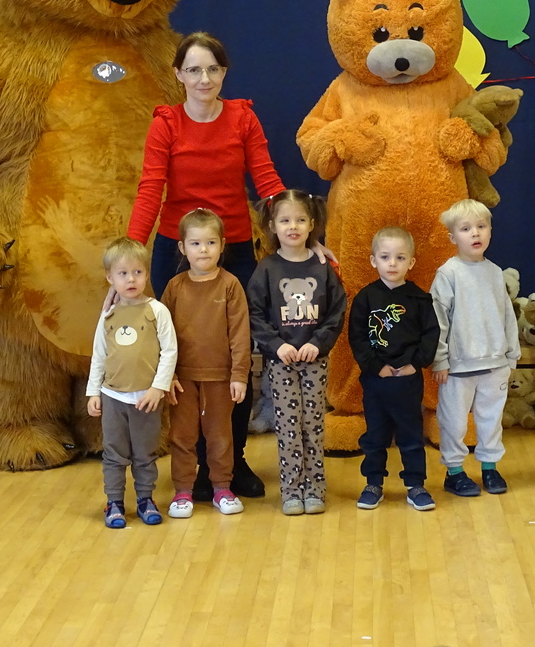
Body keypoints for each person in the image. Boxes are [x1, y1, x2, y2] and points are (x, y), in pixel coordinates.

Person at [127, 31, 301, 500]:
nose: (204, 78)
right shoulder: (166, 124)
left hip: (235, 250)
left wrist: (301, 235)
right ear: (179, 75)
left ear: (224, 73)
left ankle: (231, 461)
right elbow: (150, 189)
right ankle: (193, 464)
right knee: (180, 355)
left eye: (213, 69)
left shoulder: (242, 118)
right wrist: (130, 256)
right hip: (174, 251)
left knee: (231, 355)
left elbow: (266, 180)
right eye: (194, 70)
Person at [247, 190, 346, 515]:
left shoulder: (323, 267)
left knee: (313, 426)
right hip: (281, 363)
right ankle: (291, 491)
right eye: (285, 220)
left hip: (315, 360)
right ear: (272, 225)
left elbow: (336, 311)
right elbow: (255, 314)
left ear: (312, 223)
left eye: (300, 220)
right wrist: (278, 345)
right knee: (288, 428)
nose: (293, 226)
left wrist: (318, 342)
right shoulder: (267, 269)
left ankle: (314, 488)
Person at [160, 209, 251, 518]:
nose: (203, 250)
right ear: (182, 247)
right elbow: (163, 335)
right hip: (181, 379)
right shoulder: (174, 287)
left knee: (220, 436)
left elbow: (240, 334)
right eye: (196, 243)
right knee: (182, 436)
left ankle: (222, 487)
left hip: (221, 378)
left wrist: (239, 375)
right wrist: (168, 375)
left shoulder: (230, 285)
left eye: (211, 242)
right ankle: (183, 491)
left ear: (222, 245)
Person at [430, 199, 520, 498]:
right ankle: (454, 472)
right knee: (454, 422)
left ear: (490, 231)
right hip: (458, 367)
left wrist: (511, 356)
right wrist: (440, 360)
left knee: (491, 420)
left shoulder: (495, 272)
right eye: (466, 228)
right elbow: (438, 320)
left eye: (481, 226)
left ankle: (490, 467)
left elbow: (506, 316)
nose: (475, 233)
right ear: (452, 237)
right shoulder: (448, 274)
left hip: (495, 365)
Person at [86, 237, 177, 529]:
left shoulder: (157, 311)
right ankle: (114, 502)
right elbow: (99, 354)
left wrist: (158, 387)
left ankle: (145, 499)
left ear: (146, 274)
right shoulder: (108, 314)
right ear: (110, 278)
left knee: (145, 454)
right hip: (113, 398)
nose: (131, 279)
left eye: (138, 272)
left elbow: (170, 351)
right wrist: (93, 392)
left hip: (146, 399)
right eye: (123, 273)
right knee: (114, 454)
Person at [348, 226, 440, 512]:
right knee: (375, 436)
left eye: (400, 258)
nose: (392, 263)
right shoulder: (365, 298)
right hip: (376, 381)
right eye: (385, 257)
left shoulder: (420, 299)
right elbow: (357, 337)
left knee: (411, 436)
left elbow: (431, 335)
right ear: (373, 260)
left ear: (411, 262)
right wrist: (377, 367)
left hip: (408, 381)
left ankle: (416, 485)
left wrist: (415, 364)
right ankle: (373, 483)